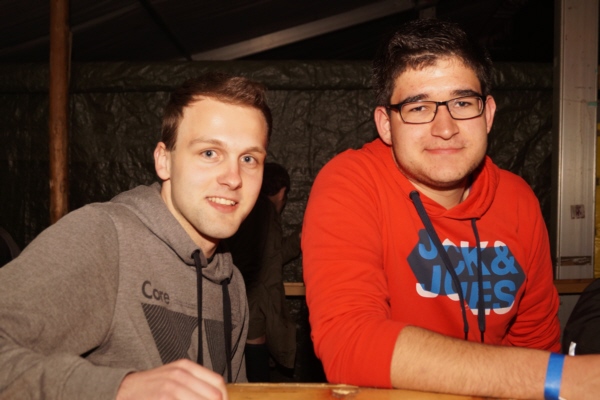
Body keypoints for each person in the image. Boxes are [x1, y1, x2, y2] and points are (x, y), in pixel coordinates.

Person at [302, 18, 600, 400]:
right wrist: (566, 377)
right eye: (418, 107)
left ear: (488, 114)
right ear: (386, 125)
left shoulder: (518, 200)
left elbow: (536, 343)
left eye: (462, 103)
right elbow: (350, 343)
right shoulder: (352, 182)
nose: (445, 127)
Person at [0, 72, 272, 400]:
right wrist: (119, 388)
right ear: (164, 161)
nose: (233, 178)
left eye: (249, 159)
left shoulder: (232, 284)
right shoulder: (103, 238)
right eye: (209, 153)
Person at [225, 162, 301, 382]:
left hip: (240, 303)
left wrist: (298, 238)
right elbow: (264, 269)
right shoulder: (265, 212)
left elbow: (271, 257)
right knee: (256, 374)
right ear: (282, 192)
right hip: (254, 306)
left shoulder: (249, 209)